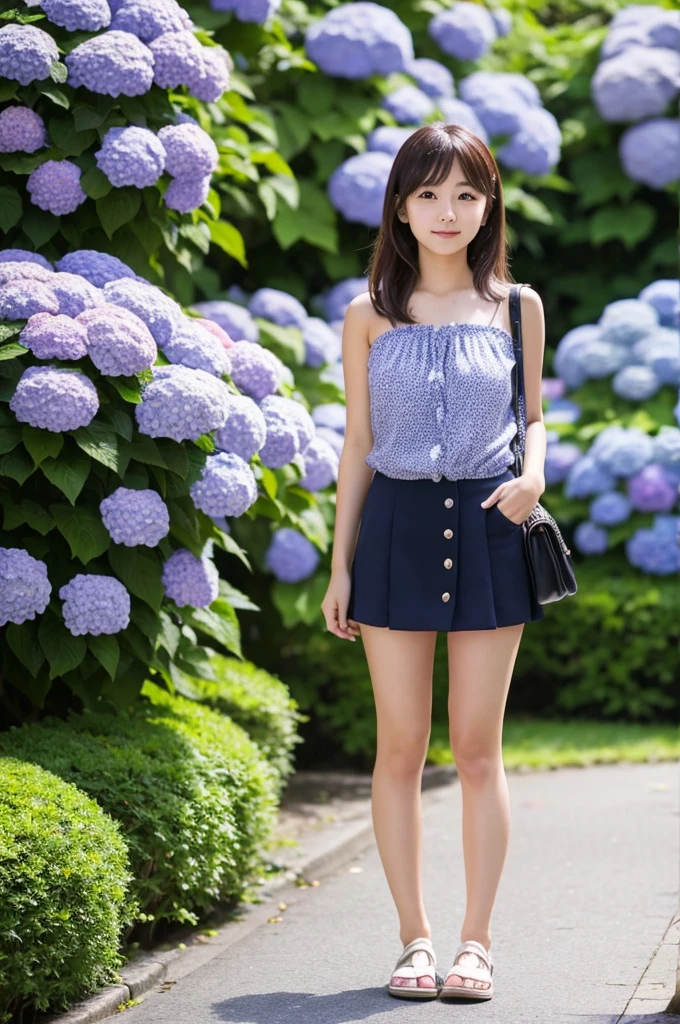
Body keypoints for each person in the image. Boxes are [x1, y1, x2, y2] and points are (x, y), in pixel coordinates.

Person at [320, 121, 548, 1002]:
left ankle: (476, 943)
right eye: (428, 194)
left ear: (488, 203)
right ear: (401, 208)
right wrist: (341, 567)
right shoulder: (368, 316)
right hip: (397, 529)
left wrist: (532, 473)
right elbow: (358, 447)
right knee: (402, 748)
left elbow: (532, 413)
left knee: (479, 750)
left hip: (493, 523)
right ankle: (415, 940)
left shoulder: (517, 306)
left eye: (464, 193)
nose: (446, 211)